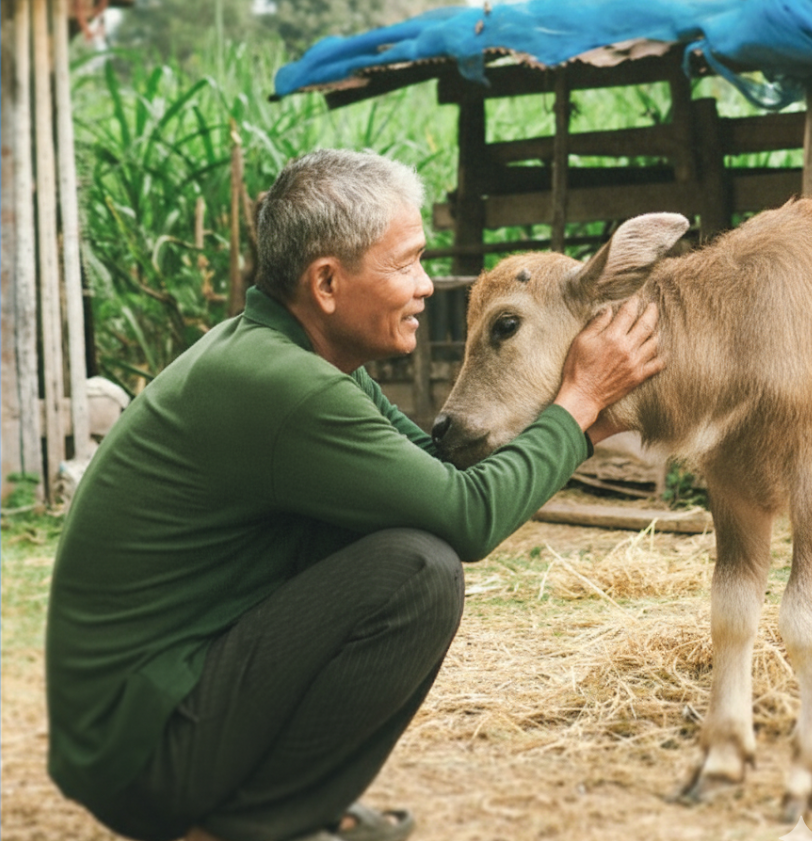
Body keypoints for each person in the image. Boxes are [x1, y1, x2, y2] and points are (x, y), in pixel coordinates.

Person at [46, 149, 664, 841]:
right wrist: (578, 405)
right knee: (418, 573)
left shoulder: (301, 359)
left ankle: (288, 805)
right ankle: (250, 826)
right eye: (407, 263)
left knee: (397, 537)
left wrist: (586, 416)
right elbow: (469, 516)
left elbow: (431, 472)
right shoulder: (284, 385)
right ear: (327, 283)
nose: (426, 286)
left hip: (146, 714)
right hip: (141, 753)